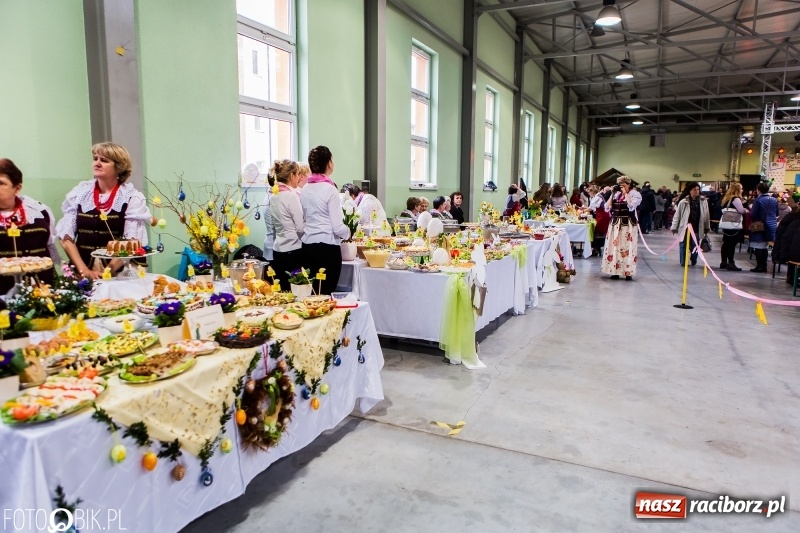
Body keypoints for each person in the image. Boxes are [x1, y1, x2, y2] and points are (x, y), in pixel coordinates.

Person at [57, 142, 151, 280]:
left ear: (118, 167)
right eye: (95, 159)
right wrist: (84, 271)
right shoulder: (80, 193)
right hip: (83, 271)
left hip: (120, 272)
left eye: (104, 160)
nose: (97, 163)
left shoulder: (131, 197)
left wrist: (108, 271)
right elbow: (66, 238)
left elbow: (131, 243)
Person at [0, 159, 60, 294]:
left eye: (1, 183)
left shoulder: (39, 211)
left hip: (41, 289)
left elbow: (49, 246)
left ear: (17, 188)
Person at [300, 146, 349, 294]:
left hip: (307, 247)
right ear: (329, 163)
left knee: (312, 294)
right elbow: (337, 228)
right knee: (326, 294)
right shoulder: (330, 189)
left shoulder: (305, 188)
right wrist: (349, 233)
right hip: (327, 249)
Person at [269, 160, 305, 290]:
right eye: (298, 174)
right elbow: (300, 227)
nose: (299, 178)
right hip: (293, 250)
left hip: (278, 250)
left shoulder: (273, 196)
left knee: (283, 291)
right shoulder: (291, 196)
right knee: (296, 290)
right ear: (291, 176)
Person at [601, 176, 641, 280]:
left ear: (628, 185)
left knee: (627, 247)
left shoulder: (634, 194)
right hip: (615, 224)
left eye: (623, 185)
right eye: (620, 185)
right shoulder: (617, 195)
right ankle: (614, 271)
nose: (621, 187)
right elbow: (607, 207)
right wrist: (612, 194)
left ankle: (628, 272)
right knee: (614, 247)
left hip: (627, 225)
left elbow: (631, 206)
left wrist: (626, 194)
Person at [671, 181, 710, 267]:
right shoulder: (683, 202)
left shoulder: (703, 201)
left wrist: (707, 227)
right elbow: (677, 216)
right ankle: (683, 261)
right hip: (685, 227)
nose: (696, 191)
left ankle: (694, 258)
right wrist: (674, 227)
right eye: (694, 190)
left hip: (697, 227)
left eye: (698, 189)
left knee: (695, 245)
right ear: (690, 190)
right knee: (683, 244)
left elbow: (706, 215)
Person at [748, 182, 778, 273]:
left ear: (758, 190)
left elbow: (753, 215)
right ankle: (764, 266)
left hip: (760, 225)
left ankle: (759, 266)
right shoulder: (774, 200)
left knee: (758, 246)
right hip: (772, 225)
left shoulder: (758, 200)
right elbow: (777, 213)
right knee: (765, 246)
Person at [718, 182, 748, 271]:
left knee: (726, 243)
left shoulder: (726, 199)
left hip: (726, 224)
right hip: (734, 224)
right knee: (732, 244)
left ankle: (723, 262)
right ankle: (731, 263)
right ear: (738, 190)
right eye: (741, 189)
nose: (742, 190)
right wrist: (746, 210)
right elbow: (741, 210)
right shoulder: (736, 199)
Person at [588, 185, 610, 256]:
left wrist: (582, 211)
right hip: (601, 215)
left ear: (592, 192)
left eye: (589, 192)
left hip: (602, 216)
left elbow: (591, 208)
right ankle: (597, 248)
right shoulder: (598, 196)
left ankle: (596, 249)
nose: (589, 193)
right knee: (599, 232)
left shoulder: (597, 197)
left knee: (598, 231)